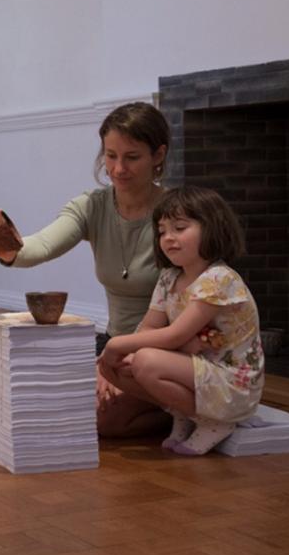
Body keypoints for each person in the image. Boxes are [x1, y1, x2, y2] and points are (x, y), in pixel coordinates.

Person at [0, 102, 170, 437]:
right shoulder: (91, 206)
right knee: (55, 407)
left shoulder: (176, 214)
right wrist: (9, 248)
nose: (118, 168)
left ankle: (192, 411)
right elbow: (39, 246)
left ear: (158, 155)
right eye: (111, 156)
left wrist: (112, 365)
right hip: (114, 346)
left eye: (132, 157)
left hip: (162, 352)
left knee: (101, 421)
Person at [97, 186, 263, 455]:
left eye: (180, 228)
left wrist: (117, 344)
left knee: (144, 360)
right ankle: (184, 412)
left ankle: (214, 421)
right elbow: (150, 327)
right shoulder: (168, 278)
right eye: (162, 231)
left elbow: (174, 334)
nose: (168, 238)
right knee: (113, 367)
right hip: (196, 371)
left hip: (231, 384)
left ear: (211, 228)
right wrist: (115, 354)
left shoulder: (218, 278)